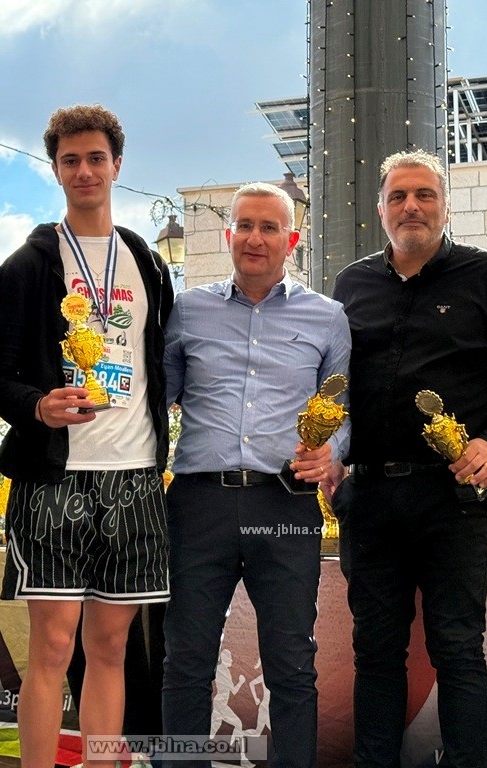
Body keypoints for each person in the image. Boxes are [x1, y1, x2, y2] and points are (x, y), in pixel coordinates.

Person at [327, 149, 487, 768]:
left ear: (445, 206)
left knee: (457, 648)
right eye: (398, 196)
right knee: (376, 652)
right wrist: (330, 451)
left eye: (424, 194)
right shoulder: (350, 286)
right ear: (380, 210)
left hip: (455, 499)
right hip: (370, 499)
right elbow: (331, 387)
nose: (412, 206)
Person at [0, 104, 173, 768]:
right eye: (71, 160)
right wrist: (38, 406)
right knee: (53, 649)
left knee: (112, 648)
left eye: (96, 158)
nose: (84, 170)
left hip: (135, 475)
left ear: (117, 165)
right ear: (56, 170)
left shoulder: (147, 262)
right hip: (54, 478)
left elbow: (159, 361)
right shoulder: (30, 263)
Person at [161, 182, 351, 768]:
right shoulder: (187, 310)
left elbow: (345, 410)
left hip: (284, 505)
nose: (255, 238)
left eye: (269, 227)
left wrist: (333, 450)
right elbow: (158, 397)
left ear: (292, 240)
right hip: (199, 504)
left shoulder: (328, 318)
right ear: (228, 234)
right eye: (244, 225)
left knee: (292, 661)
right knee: (186, 658)